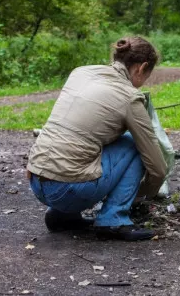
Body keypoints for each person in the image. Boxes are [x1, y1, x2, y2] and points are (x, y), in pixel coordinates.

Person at [27, 36, 167, 241]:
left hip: (36, 180)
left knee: (85, 143)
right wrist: (141, 195)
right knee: (135, 144)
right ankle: (114, 219)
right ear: (141, 67)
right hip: (68, 191)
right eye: (147, 75)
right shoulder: (129, 97)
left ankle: (62, 216)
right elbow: (158, 167)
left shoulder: (81, 73)